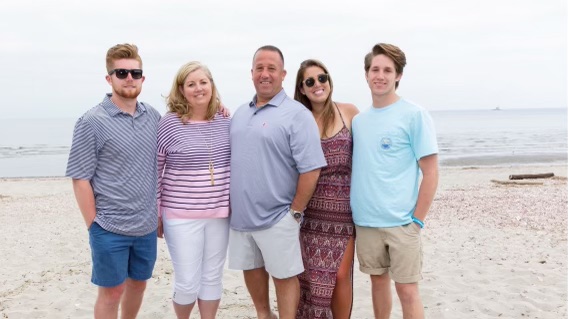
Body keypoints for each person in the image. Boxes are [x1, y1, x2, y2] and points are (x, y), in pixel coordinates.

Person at [228, 45, 327, 319]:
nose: (265, 74)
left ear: (283, 74)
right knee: (252, 270)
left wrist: (294, 212)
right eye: (259, 68)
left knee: (284, 277)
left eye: (271, 68)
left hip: (278, 217)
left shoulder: (297, 114)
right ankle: (263, 315)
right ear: (251, 74)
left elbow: (311, 169)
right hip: (241, 219)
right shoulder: (239, 114)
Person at [66, 43, 161, 319]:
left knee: (139, 285)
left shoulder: (153, 117)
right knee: (112, 293)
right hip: (108, 227)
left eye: (135, 72)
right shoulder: (91, 121)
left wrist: (220, 110)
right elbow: (80, 177)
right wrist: (93, 225)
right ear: (109, 78)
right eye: (121, 73)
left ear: (143, 78)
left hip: (145, 227)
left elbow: (185, 125)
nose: (129, 78)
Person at [350, 43, 439, 319]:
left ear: (398, 75)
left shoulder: (415, 115)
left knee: (408, 291)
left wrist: (417, 221)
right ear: (366, 74)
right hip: (366, 222)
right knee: (378, 284)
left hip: (402, 223)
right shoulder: (359, 121)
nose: (380, 75)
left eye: (387, 70)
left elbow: (431, 172)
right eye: (375, 69)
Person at [156, 61, 231, 319]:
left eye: (203, 82)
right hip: (180, 216)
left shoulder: (225, 121)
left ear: (211, 85)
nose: (198, 88)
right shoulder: (169, 124)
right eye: (191, 84)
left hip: (219, 215)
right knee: (187, 282)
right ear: (181, 89)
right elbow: (155, 171)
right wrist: (156, 213)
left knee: (212, 277)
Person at [293, 59, 359, 319]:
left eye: (322, 78)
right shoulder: (298, 119)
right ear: (302, 87)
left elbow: (373, 150)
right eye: (310, 81)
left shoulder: (349, 112)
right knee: (310, 280)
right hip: (308, 210)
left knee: (342, 275)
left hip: (344, 209)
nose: (317, 84)